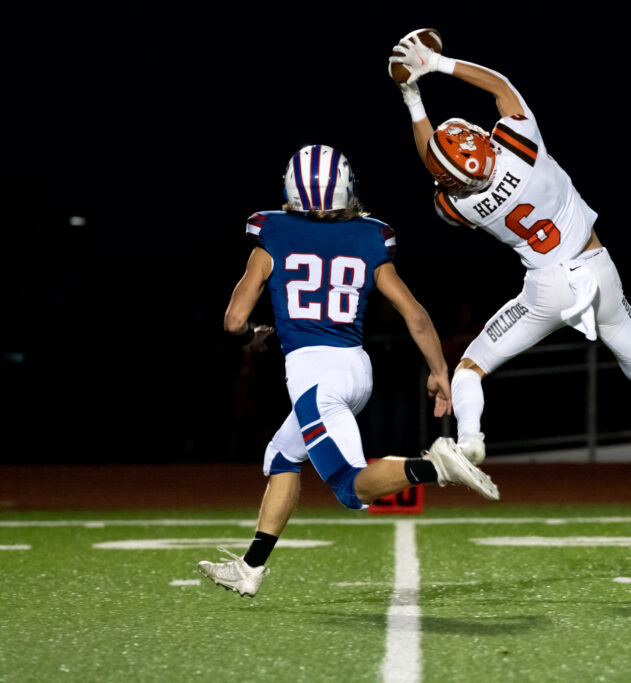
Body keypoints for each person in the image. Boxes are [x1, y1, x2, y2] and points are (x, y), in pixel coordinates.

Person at [388, 37, 631, 512]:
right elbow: (499, 86)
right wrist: (434, 64)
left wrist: (413, 100)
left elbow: (432, 158)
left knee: (470, 368)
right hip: (598, 270)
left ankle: (471, 439)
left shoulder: (459, 205)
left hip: (547, 288)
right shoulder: (520, 144)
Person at [197, 144, 499, 598]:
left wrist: (250, 339)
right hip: (356, 368)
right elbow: (415, 314)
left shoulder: (272, 234)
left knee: (349, 488)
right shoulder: (367, 236)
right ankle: (251, 566)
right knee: (283, 455)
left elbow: (234, 319)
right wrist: (439, 371)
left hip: (314, 378)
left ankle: (434, 465)